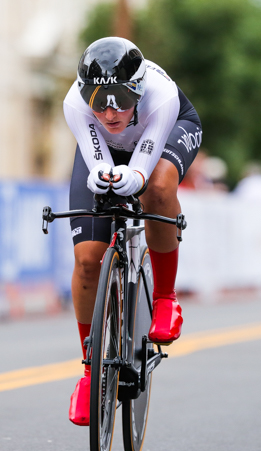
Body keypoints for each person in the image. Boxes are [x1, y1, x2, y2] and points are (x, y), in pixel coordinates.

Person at [63, 37, 201, 426]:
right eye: (99, 100)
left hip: (169, 130)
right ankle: (91, 372)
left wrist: (134, 175)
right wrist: (107, 175)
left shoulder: (161, 97)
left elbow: (141, 171)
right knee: (88, 259)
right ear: (84, 94)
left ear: (138, 89)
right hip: (107, 150)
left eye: (122, 98)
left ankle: (166, 297)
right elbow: (97, 165)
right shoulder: (75, 103)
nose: (110, 112)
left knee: (156, 187)